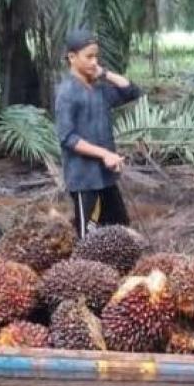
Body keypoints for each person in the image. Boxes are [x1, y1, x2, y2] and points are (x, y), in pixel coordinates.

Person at [54, 28, 142, 237]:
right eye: (89, 56)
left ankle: (118, 270)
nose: (94, 62)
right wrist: (104, 154)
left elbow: (132, 91)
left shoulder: (99, 89)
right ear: (72, 58)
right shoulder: (67, 93)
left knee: (121, 230)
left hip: (106, 176)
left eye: (96, 56)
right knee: (86, 239)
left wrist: (104, 73)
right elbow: (68, 138)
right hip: (84, 179)